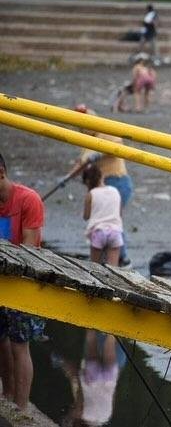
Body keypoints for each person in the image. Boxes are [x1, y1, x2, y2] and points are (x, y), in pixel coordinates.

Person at [0, 150, 45, 411]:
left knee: (20, 344)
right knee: (1, 341)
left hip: (24, 281)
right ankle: (6, 395)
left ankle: (22, 407)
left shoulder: (28, 200)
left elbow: (28, 251)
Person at [65, 105, 134, 267]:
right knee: (109, 222)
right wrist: (67, 178)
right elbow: (82, 163)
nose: (82, 131)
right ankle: (110, 258)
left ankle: (121, 258)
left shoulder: (105, 131)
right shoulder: (87, 141)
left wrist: (101, 151)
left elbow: (118, 144)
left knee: (113, 221)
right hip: (100, 184)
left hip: (117, 182)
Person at [81, 163, 124, 266]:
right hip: (115, 232)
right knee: (114, 269)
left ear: (87, 182)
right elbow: (120, 214)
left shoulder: (91, 194)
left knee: (94, 267)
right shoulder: (115, 191)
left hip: (98, 232)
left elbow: (86, 216)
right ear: (102, 176)